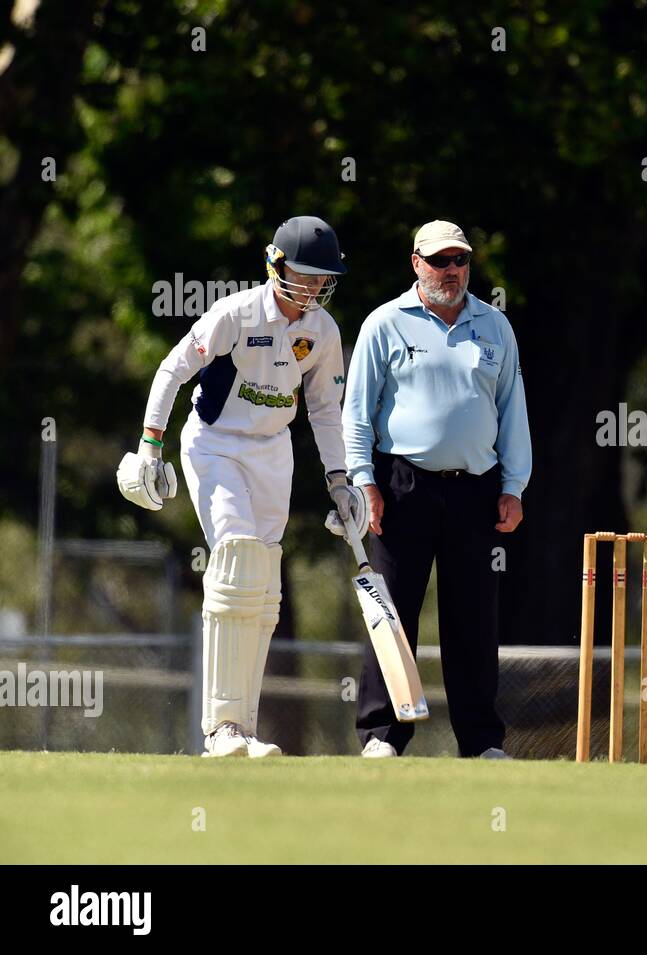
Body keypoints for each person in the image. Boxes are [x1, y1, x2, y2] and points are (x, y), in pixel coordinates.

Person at [116, 216, 368, 756]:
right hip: (216, 444)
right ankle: (219, 729)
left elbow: (326, 409)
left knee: (265, 589)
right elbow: (171, 369)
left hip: (274, 452)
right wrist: (149, 445)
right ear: (275, 265)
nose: (314, 287)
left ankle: (243, 730)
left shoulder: (322, 332)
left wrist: (340, 480)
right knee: (234, 554)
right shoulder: (236, 312)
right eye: (305, 274)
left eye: (323, 277)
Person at [342, 220, 532, 758]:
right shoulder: (385, 323)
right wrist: (364, 481)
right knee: (392, 611)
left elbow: (512, 411)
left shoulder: (494, 326)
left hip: (476, 490)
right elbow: (356, 413)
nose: (451, 271)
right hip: (402, 487)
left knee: (474, 616)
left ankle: (479, 741)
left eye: (459, 261)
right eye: (439, 261)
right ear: (416, 264)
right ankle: (382, 735)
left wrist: (514, 485)